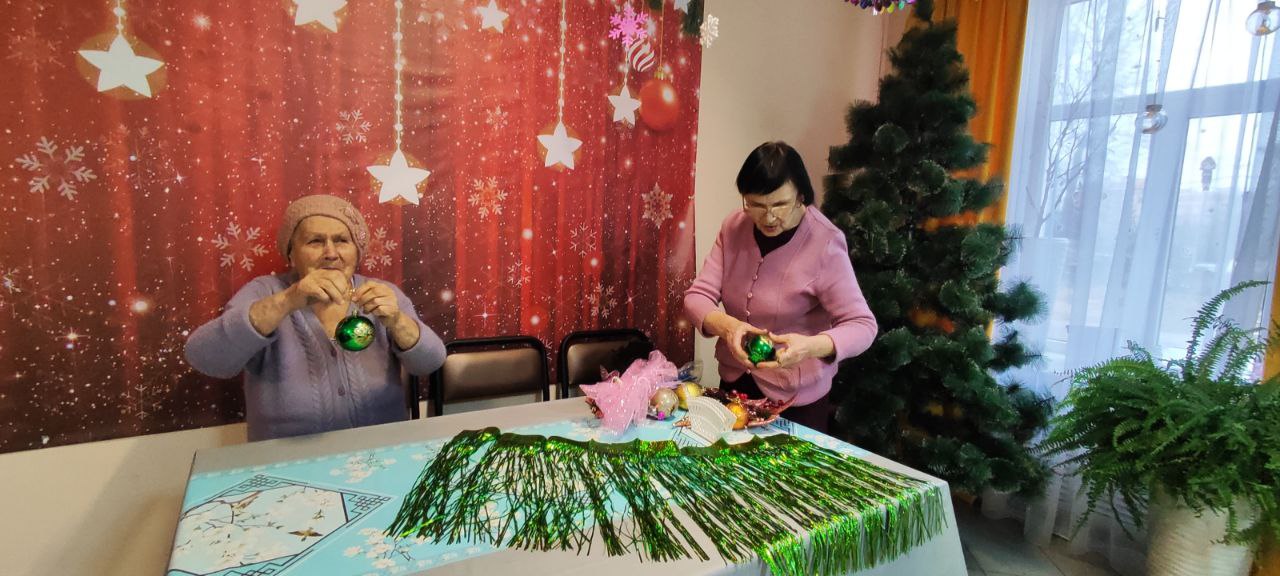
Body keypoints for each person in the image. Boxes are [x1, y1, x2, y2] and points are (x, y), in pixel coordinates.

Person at [185, 194, 446, 441]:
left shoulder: (381, 293)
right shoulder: (265, 291)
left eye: (342, 240)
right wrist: (288, 301)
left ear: (357, 252)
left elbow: (431, 362)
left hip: (379, 448)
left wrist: (398, 321)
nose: (331, 253)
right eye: (315, 241)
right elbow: (206, 358)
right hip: (287, 459)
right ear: (291, 253)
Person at [684, 141, 878, 433]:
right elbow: (697, 297)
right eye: (756, 205)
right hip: (736, 385)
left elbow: (863, 325)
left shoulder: (825, 243)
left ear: (801, 196)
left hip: (796, 400)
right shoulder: (734, 227)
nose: (768, 217)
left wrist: (810, 347)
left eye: (779, 205)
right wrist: (729, 328)